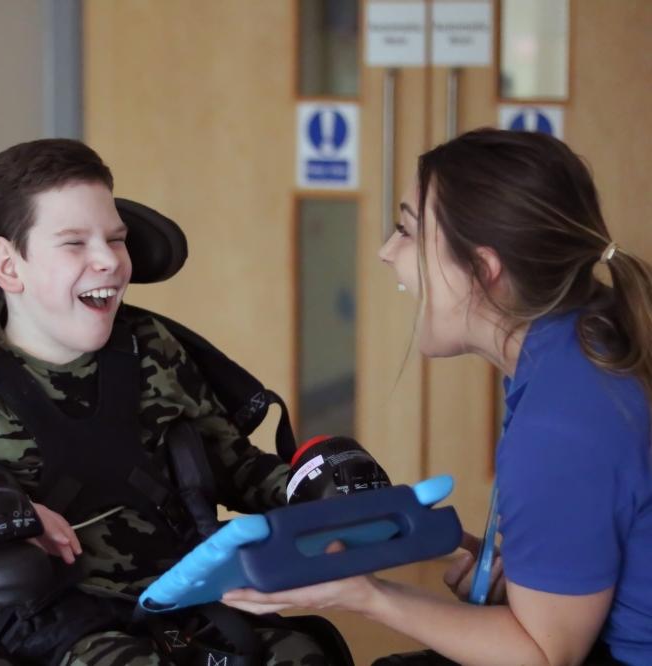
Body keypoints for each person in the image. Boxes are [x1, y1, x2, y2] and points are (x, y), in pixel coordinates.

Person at [0, 139, 329, 664]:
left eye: (116, 239)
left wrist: (316, 486)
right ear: (10, 267)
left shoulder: (151, 349)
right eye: (75, 243)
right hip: (57, 622)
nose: (108, 260)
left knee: (306, 653)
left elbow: (235, 465)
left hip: (183, 599)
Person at [223, 128, 652, 665]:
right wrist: (528, 582)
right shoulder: (588, 341)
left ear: (483, 269)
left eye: (405, 230)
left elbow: (543, 658)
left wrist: (364, 594)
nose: (385, 252)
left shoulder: (562, 421)